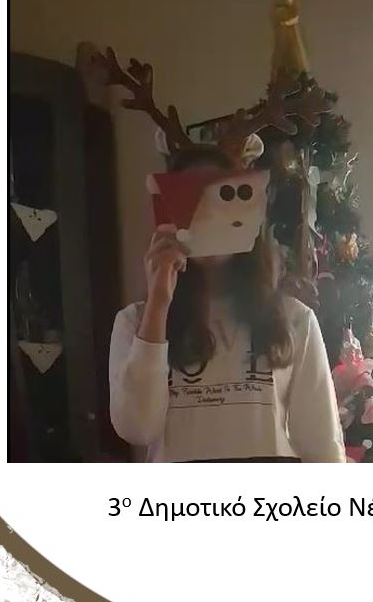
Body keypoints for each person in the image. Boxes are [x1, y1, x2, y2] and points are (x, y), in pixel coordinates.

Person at [108, 147, 346, 462]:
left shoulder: (294, 319)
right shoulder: (136, 321)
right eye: (191, 199)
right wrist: (158, 303)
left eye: (222, 195)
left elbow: (322, 445)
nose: (208, 215)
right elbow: (136, 428)